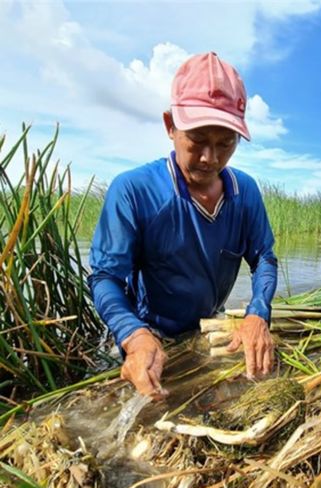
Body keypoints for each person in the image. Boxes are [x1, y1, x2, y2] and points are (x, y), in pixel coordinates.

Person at [88, 52, 278, 398]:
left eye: (225, 143)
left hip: (206, 328)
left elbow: (264, 257)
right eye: (198, 140)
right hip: (151, 331)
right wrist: (133, 335)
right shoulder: (134, 191)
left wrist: (257, 315)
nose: (211, 158)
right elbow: (105, 278)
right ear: (170, 125)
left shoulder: (245, 192)